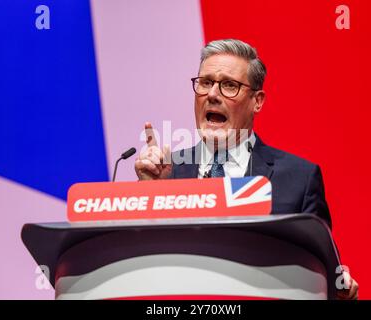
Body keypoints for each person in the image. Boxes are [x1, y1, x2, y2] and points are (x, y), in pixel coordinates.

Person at [134, 38, 358, 300]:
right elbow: (145, 269)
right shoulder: (167, 172)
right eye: (205, 83)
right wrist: (152, 194)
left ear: (257, 101)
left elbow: (327, 276)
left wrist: (342, 292)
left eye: (229, 85)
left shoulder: (299, 179)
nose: (213, 95)